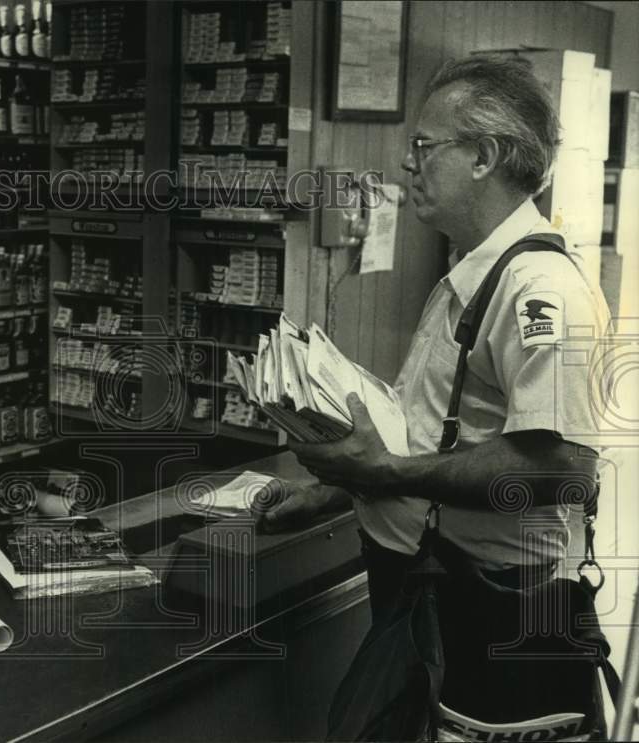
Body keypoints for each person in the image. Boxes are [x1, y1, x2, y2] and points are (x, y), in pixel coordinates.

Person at [258, 55, 610, 723]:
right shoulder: (472, 274)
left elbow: (561, 469)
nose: (405, 164)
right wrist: (335, 487)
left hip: (487, 617)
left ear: (482, 156)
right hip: (431, 599)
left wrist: (385, 468)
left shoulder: (542, 289)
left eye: (423, 145)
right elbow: (427, 431)